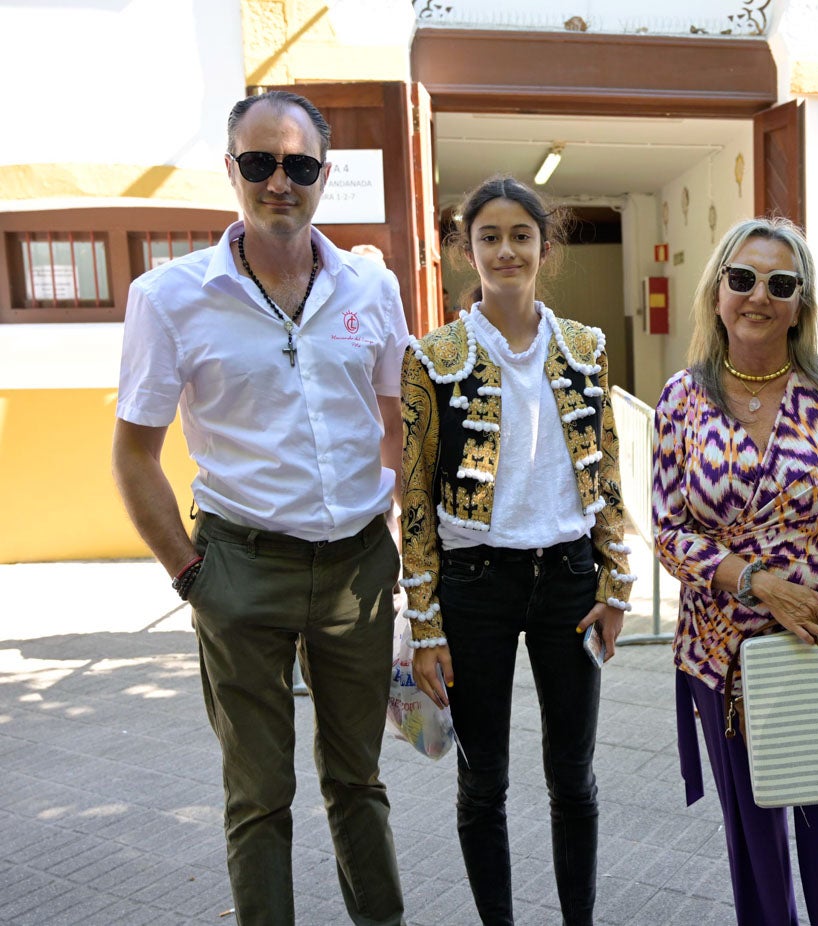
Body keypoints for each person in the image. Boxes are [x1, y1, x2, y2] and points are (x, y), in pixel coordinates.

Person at [112, 90, 408, 925]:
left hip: (357, 572)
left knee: (358, 782)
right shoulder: (169, 297)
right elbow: (134, 453)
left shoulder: (371, 286)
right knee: (258, 796)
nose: (281, 182)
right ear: (234, 169)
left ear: (325, 174)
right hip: (239, 571)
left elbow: (396, 429)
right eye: (260, 163)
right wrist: (191, 575)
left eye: (300, 165)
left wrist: (400, 554)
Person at [653, 217, 818, 926]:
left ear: (801, 303)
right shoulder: (680, 399)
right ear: (717, 290)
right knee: (757, 849)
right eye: (741, 278)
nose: (757, 296)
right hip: (726, 657)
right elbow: (668, 531)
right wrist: (758, 582)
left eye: (779, 283)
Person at [401, 175, 633, 926]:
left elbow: (608, 471)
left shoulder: (586, 349)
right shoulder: (432, 356)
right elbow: (413, 498)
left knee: (575, 778)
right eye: (489, 237)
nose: (506, 250)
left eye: (521, 235)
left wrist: (616, 584)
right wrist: (425, 627)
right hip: (474, 586)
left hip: (568, 578)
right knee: (482, 784)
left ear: (544, 247)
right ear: (466, 251)